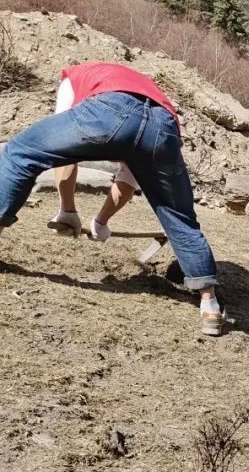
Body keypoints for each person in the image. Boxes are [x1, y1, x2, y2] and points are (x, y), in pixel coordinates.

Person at [0, 61, 223, 336]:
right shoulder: (152, 92)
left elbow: (63, 156)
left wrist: (67, 209)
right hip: (164, 126)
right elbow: (129, 178)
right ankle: (209, 303)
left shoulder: (73, 78)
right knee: (180, 216)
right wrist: (101, 221)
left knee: (21, 151)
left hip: (110, 107)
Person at [46, 73, 141, 242]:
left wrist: (100, 222)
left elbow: (130, 177)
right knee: (62, 139)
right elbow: (61, 147)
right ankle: (67, 211)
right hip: (80, 83)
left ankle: (69, 213)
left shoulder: (147, 135)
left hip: (134, 97)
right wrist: (69, 211)